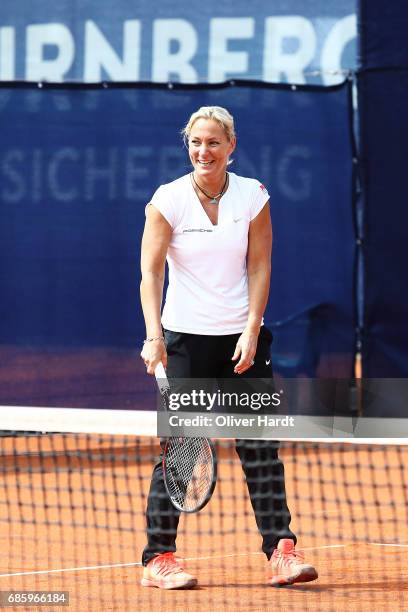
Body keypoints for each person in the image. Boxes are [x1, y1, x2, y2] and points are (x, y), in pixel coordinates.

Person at [139, 106, 318, 589]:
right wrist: (154, 335)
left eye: (214, 142)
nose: (204, 151)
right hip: (185, 344)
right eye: (196, 142)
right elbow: (151, 272)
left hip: (244, 341)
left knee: (260, 447)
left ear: (231, 146)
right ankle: (159, 557)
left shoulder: (252, 196)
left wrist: (252, 328)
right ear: (188, 145)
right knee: (180, 451)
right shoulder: (168, 199)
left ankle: (281, 550)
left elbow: (260, 266)